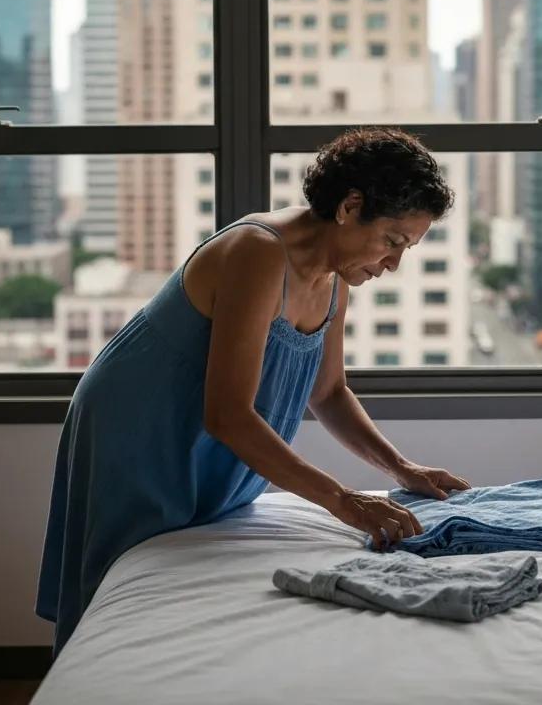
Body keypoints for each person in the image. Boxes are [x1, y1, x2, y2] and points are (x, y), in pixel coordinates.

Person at [35, 126, 471, 656]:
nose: (395, 264)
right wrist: (343, 501)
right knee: (123, 609)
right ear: (350, 206)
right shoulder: (258, 252)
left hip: (200, 435)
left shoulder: (334, 277)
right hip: (139, 426)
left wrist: (401, 469)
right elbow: (228, 416)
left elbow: (329, 392)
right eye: (393, 241)